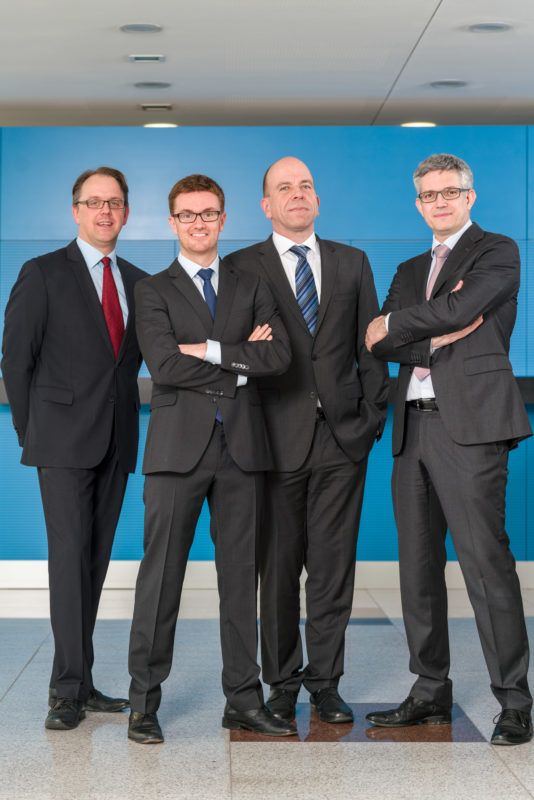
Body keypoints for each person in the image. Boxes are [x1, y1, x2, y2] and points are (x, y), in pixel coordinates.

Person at [365, 153, 533, 746]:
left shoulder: (498, 251)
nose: (439, 202)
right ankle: (430, 691)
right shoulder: (411, 268)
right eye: (428, 195)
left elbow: (460, 310)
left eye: (449, 192)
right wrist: (435, 330)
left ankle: (515, 701)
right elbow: (379, 342)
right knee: (417, 570)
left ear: (470, 195)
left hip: (471, 429)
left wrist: (413, 325)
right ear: (417, 203)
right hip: (412, 429)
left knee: (487, 567)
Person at [127, 174, 295, 744]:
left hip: (243, 452)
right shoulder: (152, 289)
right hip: (177, 453)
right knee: (160, 580)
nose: (198, 223)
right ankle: (143, 703)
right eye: (187, 215)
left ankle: (242, 701)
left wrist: (214, 350)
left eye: (208, 213)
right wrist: (238, 366)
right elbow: (165, 366)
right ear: (172, 223)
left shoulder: (253, 282)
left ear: (224, 220)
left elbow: (278, 355)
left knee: (239, 580)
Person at [225, 157, 389, 725]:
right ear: (266, 205)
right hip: (270, 442)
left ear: (317, 201)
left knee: (333, 569)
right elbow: (232, 350)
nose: (298, 194)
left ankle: (325, 684)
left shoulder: (353, 262)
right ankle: (281, 683)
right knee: (277, 571)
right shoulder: (240, 266)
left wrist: (370, 420)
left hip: (344, 441)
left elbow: (371, 347)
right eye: (283, 188)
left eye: (306, 186)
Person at [1, 166, 148, 730]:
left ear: (127, 211)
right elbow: (16, 360)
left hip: (117, 441)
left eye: (114, 203)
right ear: (76, 210)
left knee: (94, 561)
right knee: (68, 562)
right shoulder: (41, 273)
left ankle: (83, 683)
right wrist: (31, 433)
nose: (104, 212)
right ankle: (64, 689)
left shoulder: (138, 280)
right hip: (60, 443)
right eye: (93, 202)